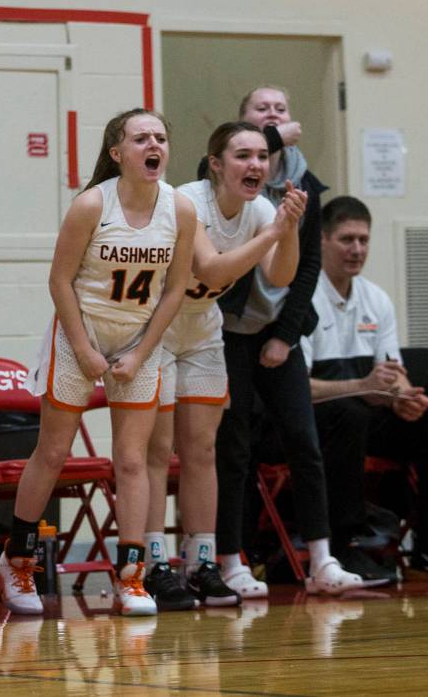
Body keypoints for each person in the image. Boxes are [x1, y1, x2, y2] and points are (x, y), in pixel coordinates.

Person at [0, 108, 195, 617]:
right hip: (78, 334)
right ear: (117, 153)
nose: (154, 145)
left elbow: (175, 290)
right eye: (141, 138)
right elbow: (59, 281)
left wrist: (142, 352)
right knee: (53, 452)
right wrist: (84, 348)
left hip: (139, 339)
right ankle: (15, 559)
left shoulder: (181, 210)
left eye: (161, 137)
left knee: (132, 460)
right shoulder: (90, 206)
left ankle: (131, 576)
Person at [142, 122, 306, 611]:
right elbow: (212, 269)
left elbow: (279, 275)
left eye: (261, 155)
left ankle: (203, 561)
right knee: (158, 447)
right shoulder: (184, 200)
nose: (255, 164)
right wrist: (276, 229)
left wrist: (288, 230)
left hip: (201, 328)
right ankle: (154, 563)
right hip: (156, 325)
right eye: (242, 155)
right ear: (217, 164)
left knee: (203, 448)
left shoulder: (258, 210)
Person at [213, 86, 362, 597]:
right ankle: (231, 560)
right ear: (242, 125)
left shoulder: (304, 183)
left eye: (281, 108)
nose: (274, 114)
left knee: (305, 440)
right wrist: (269, 139)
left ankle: (322, 558)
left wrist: (283, 334)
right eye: (262, 109)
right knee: (233, 448)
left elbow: (308, 267)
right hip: (228, 332)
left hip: (278, 334)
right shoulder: (222, 173)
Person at [302, 195, 428, 582]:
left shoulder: (376, 299)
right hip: (310, 421)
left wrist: (404, 397)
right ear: (322, 240)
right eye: (347, 239)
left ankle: (422, 543)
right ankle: (344, 546)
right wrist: (362, 386)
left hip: (360, 413)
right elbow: (297, 390)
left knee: (422, 418)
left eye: (363, 240)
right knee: (349, 414)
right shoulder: (303, 298)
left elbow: (392, 373)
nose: (357, 249)